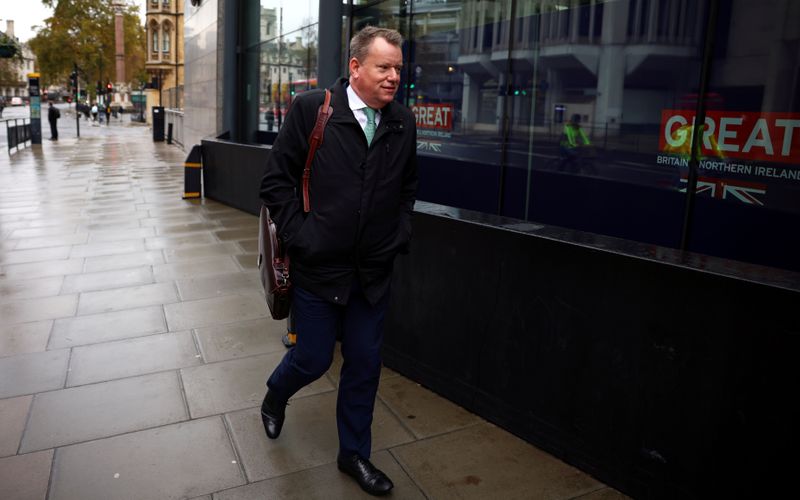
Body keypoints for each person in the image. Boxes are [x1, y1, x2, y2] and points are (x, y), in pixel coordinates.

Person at [259, 26, 417, 497]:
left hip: (372, 274)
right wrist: (303, 237)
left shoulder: (403, 122)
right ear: (355, 67)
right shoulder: (314, 110)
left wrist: (397, 236)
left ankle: (353, 454)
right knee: (311, 358)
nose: (393, 78)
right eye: (383, 67)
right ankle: (276, 393)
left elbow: (408, 189)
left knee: (365, 364)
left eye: (398, 69)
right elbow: (275, 184)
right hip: (318, 270)